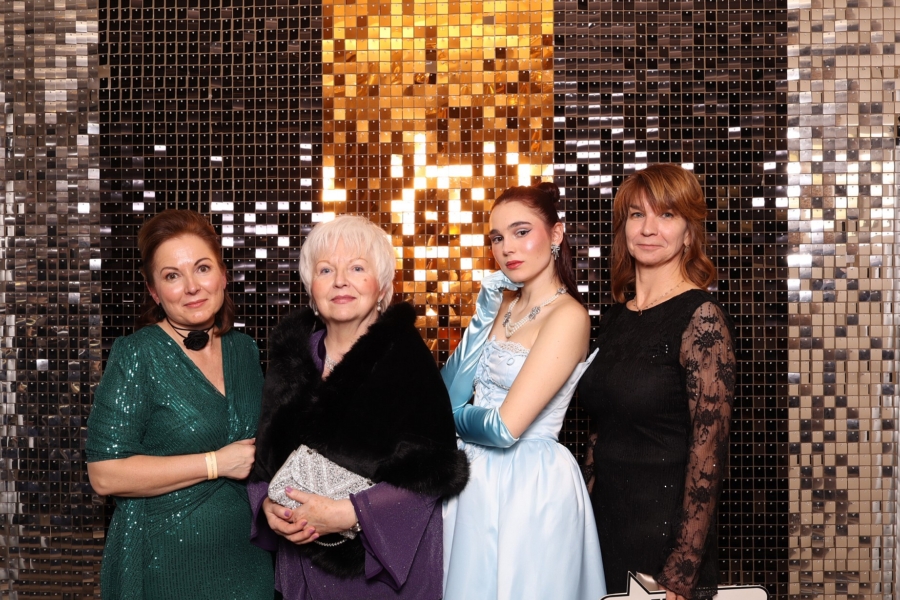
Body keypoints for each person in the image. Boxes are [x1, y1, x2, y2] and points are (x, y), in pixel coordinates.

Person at [249, 215, 469, 600]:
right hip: (300, 563)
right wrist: (267, 506)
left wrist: (350, 514)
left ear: (382, 287)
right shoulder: (293, 358)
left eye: (356, 268)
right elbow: (265, 462)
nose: (340, 281)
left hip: (375, 573)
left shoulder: (406, 360)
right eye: (325, 270)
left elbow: (433, 475)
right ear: (310, 287)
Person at [85, 210, 274, 599]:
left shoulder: (245, 350)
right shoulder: (137, 354)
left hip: (248, 560)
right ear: (155, 292)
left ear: (223, 275)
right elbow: (105, 475)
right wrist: (215, 463)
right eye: (172, 276)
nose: (192, 287)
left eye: (202, 268)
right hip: (165, 566)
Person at [440, 182, 606, 600]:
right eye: (497, 238)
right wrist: (482, 313)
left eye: (521, 232)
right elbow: (447, 391)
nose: (507, 248)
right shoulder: (501, 305)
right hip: (473, 479)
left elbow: (504, 429)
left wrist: (445, 420)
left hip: (530, 484)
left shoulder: (569, 316)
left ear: (555, 233)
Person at [578, 164, 736, 600]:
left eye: (666, 214)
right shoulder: (616, 318)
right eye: (637, 214)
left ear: (688, 233)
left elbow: (709, 455)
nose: (649, 228)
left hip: (663, 542)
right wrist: (579, 521)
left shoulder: (701, 318)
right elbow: (602, 430)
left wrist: (682, 570)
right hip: (603, 530)